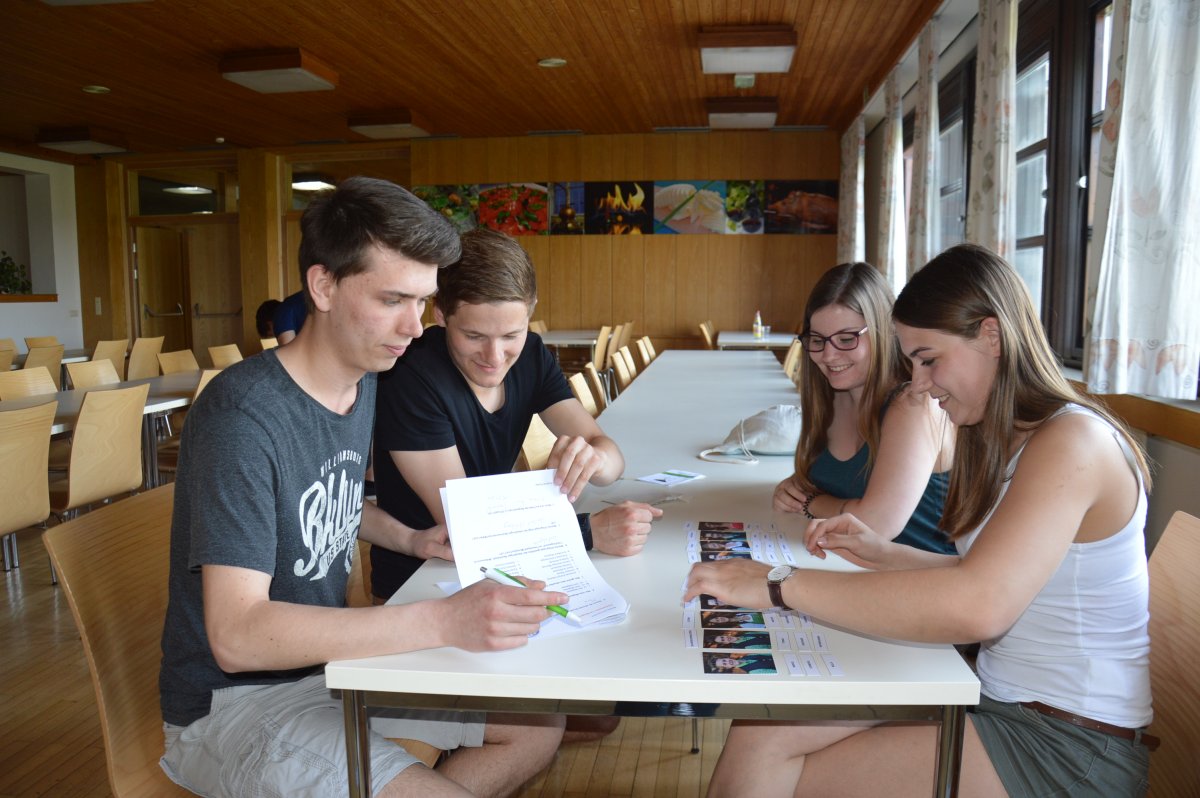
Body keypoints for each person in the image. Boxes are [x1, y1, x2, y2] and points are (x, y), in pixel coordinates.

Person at [686, 244, 1155, 797]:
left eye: (929, 359)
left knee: (774, 772)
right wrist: (888, 556)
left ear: (992, 336)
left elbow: (980, 606)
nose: (920, 383)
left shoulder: (1074, 441)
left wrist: (779, 584)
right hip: (991, 694)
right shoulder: (999, 437)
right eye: (912, 363)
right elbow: (996, 578)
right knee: (761, 734)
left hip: (1067, 745)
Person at [158, 177, 565, 798]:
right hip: (235, 704)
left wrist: (407, 537)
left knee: (536, 726)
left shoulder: (365, 375)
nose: (414, 327)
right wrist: (442, 621)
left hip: (329, 670)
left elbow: (322, 501)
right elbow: (237, 636)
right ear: (323, 286)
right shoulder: (242, 416)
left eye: (422, 301)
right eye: (392, 299)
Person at [371, 227, 661, 601]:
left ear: (531, 311)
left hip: (510, 564)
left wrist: (595, 460)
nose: (494, 357)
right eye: (474, 336)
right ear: (440, 313)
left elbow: (608, 457)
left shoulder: (532, 356)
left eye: (511, 335)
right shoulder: (410, 377)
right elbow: (467, 524)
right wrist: (587, 532)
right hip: (422, 582)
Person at [772, 262, 957, 555]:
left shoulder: (914, 404)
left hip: (920, 577)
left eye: (847, 339)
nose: (828, 355)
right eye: (817, 340)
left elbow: (875, 525)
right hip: (852, 566)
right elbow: (828, 484)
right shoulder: (830, 398)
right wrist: (793, 490)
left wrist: (809, 502)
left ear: (885, 332)